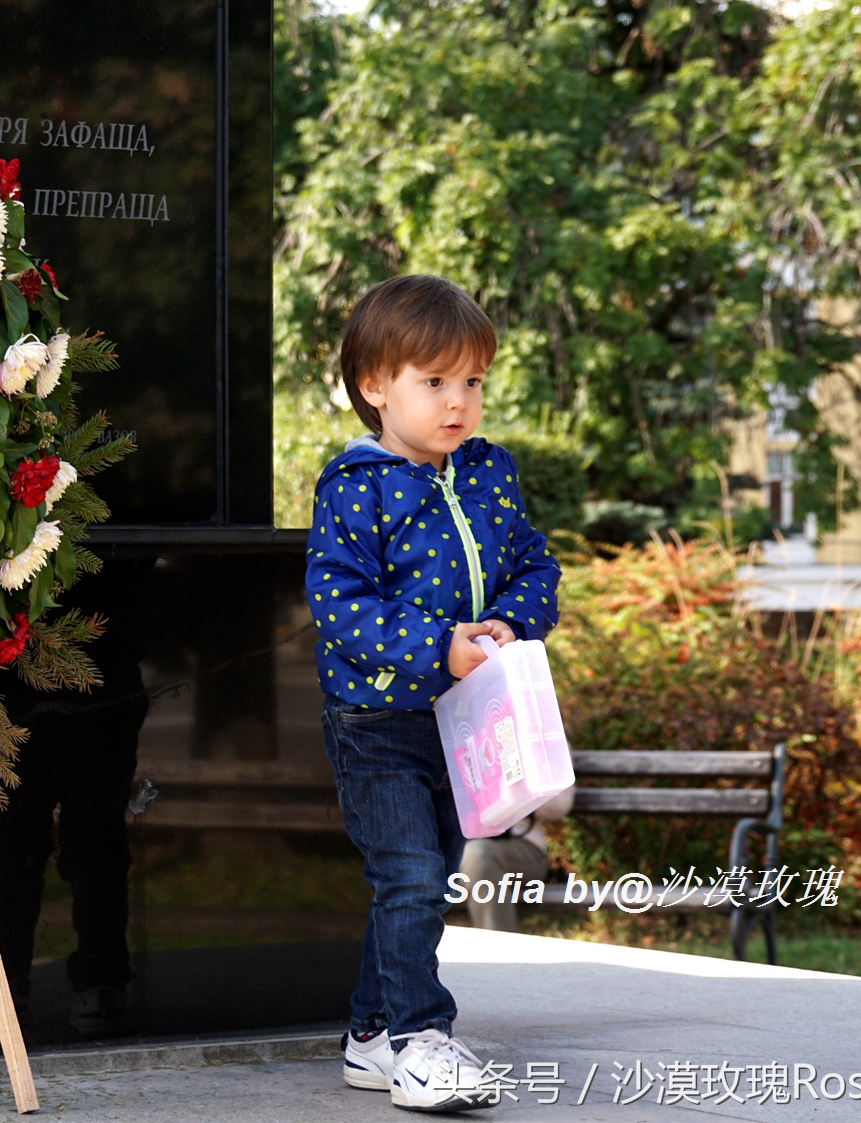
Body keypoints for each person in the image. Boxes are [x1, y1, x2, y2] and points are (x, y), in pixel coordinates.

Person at [305, 275, 561, 1112]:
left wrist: (506, 630)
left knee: (430, 875)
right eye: (434, 381)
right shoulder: (356, 485)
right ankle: (423, 1041)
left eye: (473, 382)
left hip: (463, 724)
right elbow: (340, 602)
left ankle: (370, 1035)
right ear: (375, 386)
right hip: (376, 719)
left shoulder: (489, 473)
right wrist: (437, 647)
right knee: (410, 875)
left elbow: (533, 563)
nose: (459, 403)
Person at [0, 558, 151, 1037]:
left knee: (21, 841)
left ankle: (4, 986)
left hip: (36, 680)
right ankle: (99, 986)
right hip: (100, 675)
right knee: (94, 837)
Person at [459, 786, 575, 931]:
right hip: (453, 843)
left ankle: (499, 950)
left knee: (478, 855)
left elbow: (560, 804)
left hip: (521, 845)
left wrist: (516, 785)